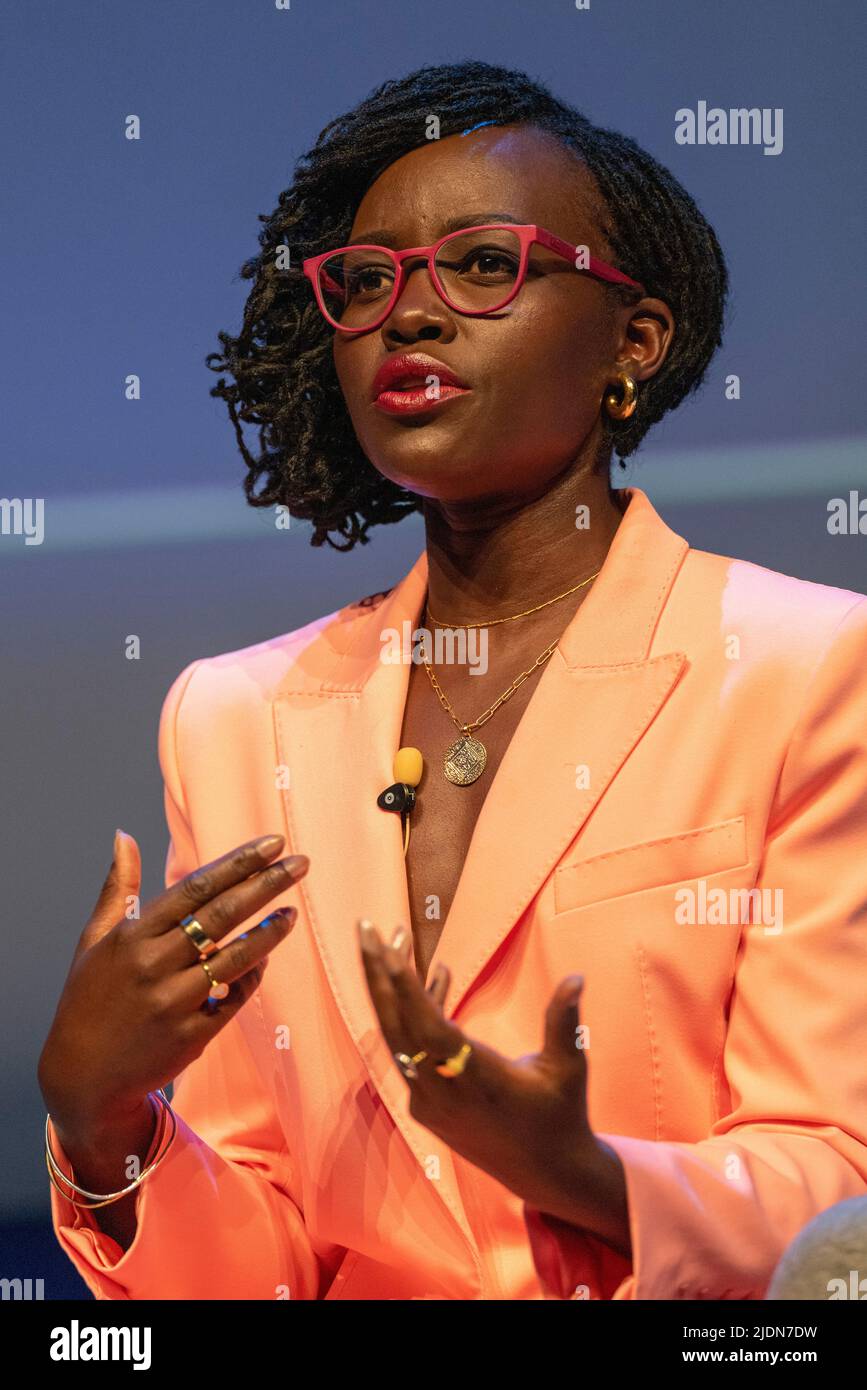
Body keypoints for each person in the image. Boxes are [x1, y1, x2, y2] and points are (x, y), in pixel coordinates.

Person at [39, 60, 867, 1301]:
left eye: (483, 264)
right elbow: (263, 1259)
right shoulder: (233, 716)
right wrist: (103, 1120)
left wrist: (581, 1172)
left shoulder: (806, 669)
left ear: (632, 341)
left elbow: (837, 1192)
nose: (408, 317)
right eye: (365, 285)